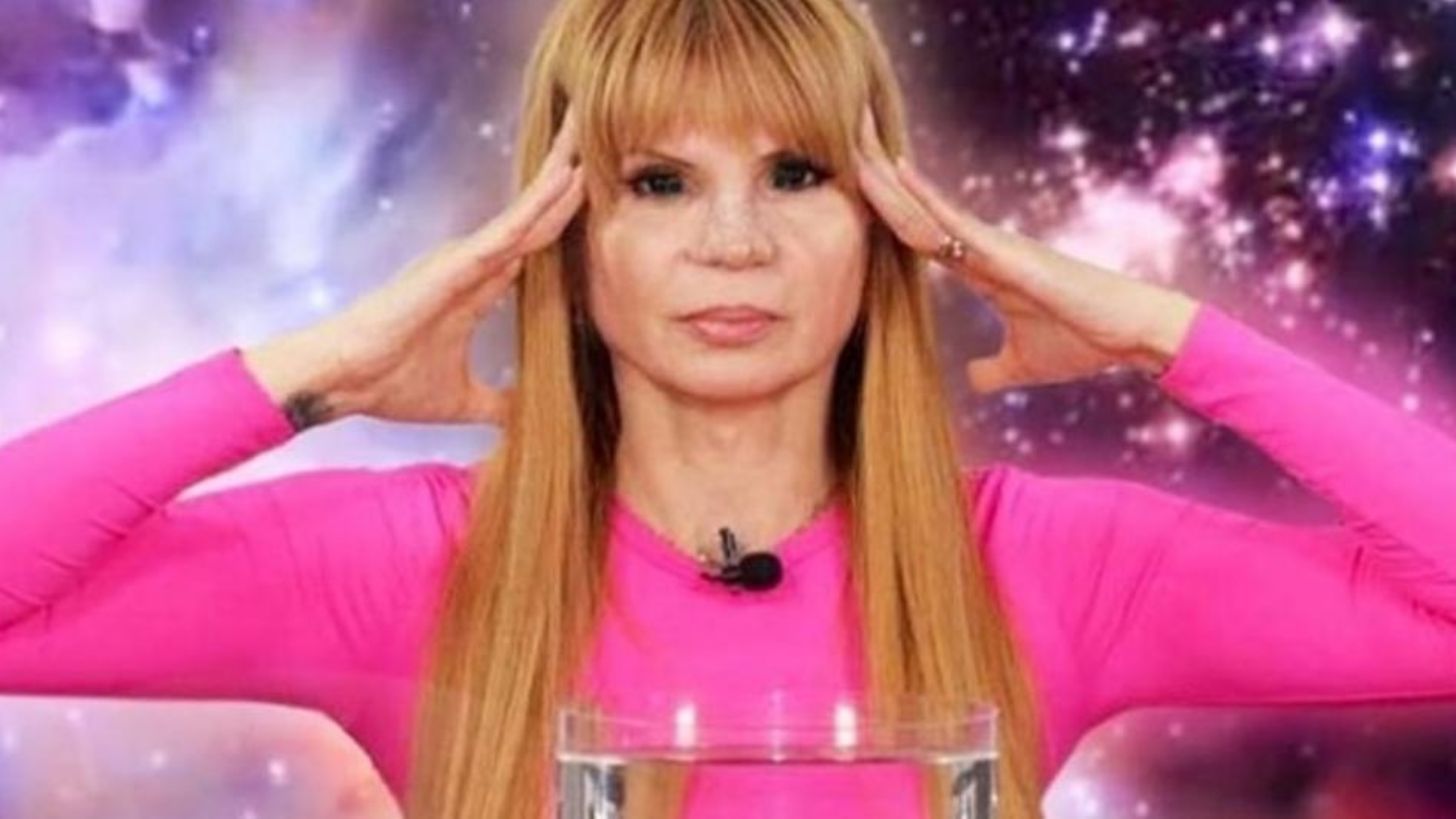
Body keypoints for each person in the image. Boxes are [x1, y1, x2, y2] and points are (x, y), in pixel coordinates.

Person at [3, 0, 1455, 817]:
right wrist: (308, 375)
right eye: (658, 183)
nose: (735, 243)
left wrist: (1164, 333)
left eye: (797, 175)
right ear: (564, 236)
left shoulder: (1045, 563)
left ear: (886, 221)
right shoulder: (410, 564)